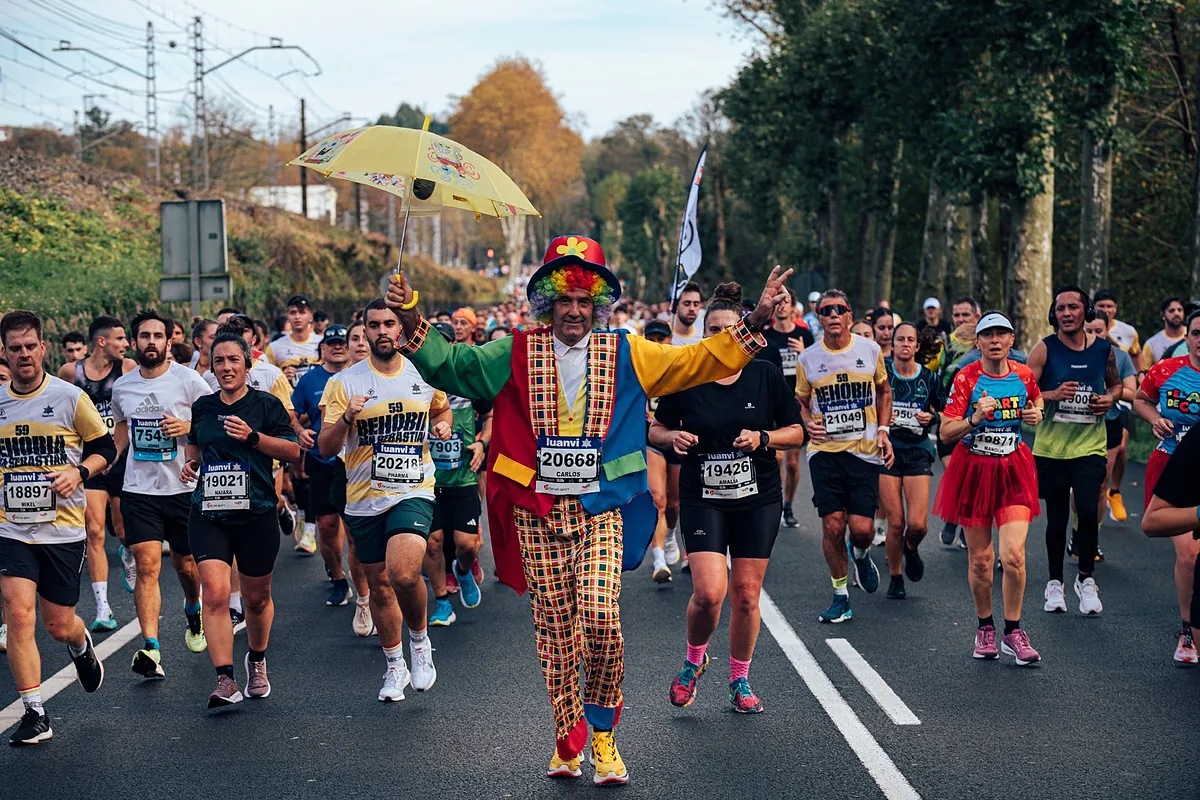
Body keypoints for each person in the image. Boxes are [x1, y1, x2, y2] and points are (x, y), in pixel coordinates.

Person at [386, 235, 789, 784]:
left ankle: (604, 737)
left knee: (599, 619)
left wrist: (756, 322)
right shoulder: (515, 350)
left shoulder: (626, 350)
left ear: (598, 305)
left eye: (584, 300)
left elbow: (695, 361)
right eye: (564, 299)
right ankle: (566, 736)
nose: (573, 310)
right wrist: (409, 313)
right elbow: (452, 366)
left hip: (602, 509)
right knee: (555, 630)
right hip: (538, 510)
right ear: (547, 302)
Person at [651, 282, 804, 714]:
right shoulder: (688, 375)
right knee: (709, 592)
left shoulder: (765, 371)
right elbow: (655, 428)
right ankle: (693, 662)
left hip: (758, 495)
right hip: (704, 494)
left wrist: (764, 436)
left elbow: (797, 432)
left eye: (728, 328)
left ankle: (739, 679)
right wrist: (671, 436)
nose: (722, 336)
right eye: (712, 330)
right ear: (704, 336)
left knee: (747, 594)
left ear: (743, 330)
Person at [318, 300, 453, 703]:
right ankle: (394, 666)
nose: (381, 331)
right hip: (363, 496)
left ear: (400, 329)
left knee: (404, 573)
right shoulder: (345, 383)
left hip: (414, 488)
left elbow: (441, 409)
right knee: (378, 584)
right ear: (364, 331)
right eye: (373, 325)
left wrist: (442, 426)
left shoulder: (423, 371)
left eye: (389, 324)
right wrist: (346, 419)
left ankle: (420, 643)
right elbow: (326, 448)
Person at [1, 310, 111, 745]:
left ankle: (80, 643)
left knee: (56, 624)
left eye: (31, 346)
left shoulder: (68, 397)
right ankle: (35, 713)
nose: (24, 355)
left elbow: (104, 447)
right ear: (4, 353)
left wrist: (80, 473)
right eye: (15, 348)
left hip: (62, 530)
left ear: (43, 348)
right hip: (11, 529)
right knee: (17, 612)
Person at [181, 333, 300, 708]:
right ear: (211, 367)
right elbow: (196, 448)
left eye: (234, 360)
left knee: (256, 598)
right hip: (209, 513)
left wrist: (253, 438)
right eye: (219, 361)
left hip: (257, 513)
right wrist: (192, 464)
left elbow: (294, 451)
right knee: (214, 594)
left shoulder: (267, 405)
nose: (227, 367)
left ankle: (258, 659)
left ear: (248, 365)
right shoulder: (202, 407)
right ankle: (225, 679)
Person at [935, 311, 1044, 665]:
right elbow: (945, 432)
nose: (995, 340)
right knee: (982, 559)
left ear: (1012, 340)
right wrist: (974, 419)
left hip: (1013, 468)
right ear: (977, 342)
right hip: (975, 470)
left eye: (1002, 334)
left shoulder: (1024, 374)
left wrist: (1036, 413)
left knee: (1013, 555)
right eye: (988, 335)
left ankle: (1013, 631)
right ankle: (985, 627)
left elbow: (1036, 400)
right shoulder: (966, 378)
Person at [111, 310, 212, 678]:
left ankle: (192, 607)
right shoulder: (123, 386)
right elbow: (122, 426)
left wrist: (186, 426)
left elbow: (211, 418)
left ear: (169, 342)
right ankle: (151, 647)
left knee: (186, 566)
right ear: (134, 342)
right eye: (144, 336)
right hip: (139, 489)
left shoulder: (188, 381)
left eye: (158, 336)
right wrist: (110, 456)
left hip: (182, 488)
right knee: (147, 566)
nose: (151, 342)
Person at [795, 290, 894, 624]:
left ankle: (862, 553)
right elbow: (802, 401)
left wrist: (883, 430)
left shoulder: (870, 350)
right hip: (825, 452)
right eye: (826, 311)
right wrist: (808, 422)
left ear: (850, 316)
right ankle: (840, 595)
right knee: (834, 524)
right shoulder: (808, 358)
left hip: (864, 452)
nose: (833, 315)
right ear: (818, 318)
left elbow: (884, 391)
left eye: (840, 310)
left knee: (861, 529)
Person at [1028, 288, 1120, 616]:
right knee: (1057, 518)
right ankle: (1055, 583)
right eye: (1061, 308)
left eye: (1074, 307)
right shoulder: (1044, 349)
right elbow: (1025, 391)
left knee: (1086, 504)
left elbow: (1115, 385)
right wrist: (1052, 394)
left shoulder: (1104, 350)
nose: (1067, 313)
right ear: (1054, 314)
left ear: (1086, 311)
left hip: (1090, 445)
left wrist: (1110, 399)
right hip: (1052, 447)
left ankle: (1086, 578)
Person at [56, 316, 136, 632]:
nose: (126, 344)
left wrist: (116, 451)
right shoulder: (70, 373)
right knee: (94, 531)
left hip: (122, 457)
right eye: (120, 339)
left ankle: (128, 551)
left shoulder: (127, 368)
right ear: (102, 341)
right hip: (90, 461)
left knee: (122, 529)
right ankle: (103, 607)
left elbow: (130, 415)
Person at [1135, 309, 1200, 664]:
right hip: (1173, 466)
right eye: (1197, 332)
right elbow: (1141, 400)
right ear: (1187, 338)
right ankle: (1187, 629)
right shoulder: (1166, 370)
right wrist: (1156, 418)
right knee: (1189, 553)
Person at [292, 325, 367, 607]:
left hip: (354, 463)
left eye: (341, 342)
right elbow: (293, 414)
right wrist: (300, 432)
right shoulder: (312, 380)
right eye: (332, 343)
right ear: (323, 348)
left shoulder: (361, 377)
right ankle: (337, 578)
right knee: (325, 525)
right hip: (322, 459)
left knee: (353, 531)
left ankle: (366, 589)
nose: (338, 347)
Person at [425, 322, 492, 625]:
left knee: (467, 544)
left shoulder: (467, 380)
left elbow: (490, 416)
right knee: (433, 542)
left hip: (464, 475)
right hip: (426, 479)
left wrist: (481, 443)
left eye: (445, 343)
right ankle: (441, 601)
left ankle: (462, 570)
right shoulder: (416, 380)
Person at [881, 323, 940, 599]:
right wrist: (881, 420)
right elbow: (865, 406)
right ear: (892, 345)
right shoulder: (881, 376)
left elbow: (946, 410)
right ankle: (895, 577)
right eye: (900, 339)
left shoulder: (929, 378)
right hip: (887, 451)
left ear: (917, 346)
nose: (905, 344)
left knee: (917, 525)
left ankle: (911, 548)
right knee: (895, 523)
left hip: (917, 451)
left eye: (910, 340)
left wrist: (933, 418)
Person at [760, 288, 814, 529]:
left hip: (797, 403)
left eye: (786, 302)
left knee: (792, 463)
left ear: (794, 308)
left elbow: (816, 370)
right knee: (777, 457)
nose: (782, 306)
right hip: (773, 404)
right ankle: (777, 504)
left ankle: (789, 505)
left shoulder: (804, 334)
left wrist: (804, 354)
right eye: (778, 302)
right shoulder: (766, 335)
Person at [1084, 312, 1136, 548]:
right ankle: (1078, 531)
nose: (1095, 336)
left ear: (1107, 331)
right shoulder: (1072, 355)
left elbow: (1132, 393)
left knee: (1100, 482)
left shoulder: (1121, 357)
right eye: (1089, 331)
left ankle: (1091, 541)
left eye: (1099, 331)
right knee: (1079, 486)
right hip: (1078, 425)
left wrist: (1111, 389)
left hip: (1110, 422)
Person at [641, 320, 682, 583]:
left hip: (678, 437)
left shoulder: (681, 366)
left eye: (661, 338)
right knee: (658, 499)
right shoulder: (638, 368)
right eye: (651, 339)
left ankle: (670, 535)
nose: (656, 344)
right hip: (651, 438)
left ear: (669, 340)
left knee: (675, 502)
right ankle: (658, 561)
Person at [265, 294, 322, 385]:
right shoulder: (274, 347)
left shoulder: (323, 343)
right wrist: (281, 377)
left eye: (302, 312)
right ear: (287, 316)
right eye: (293, 312)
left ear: (311, 316)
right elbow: (267, 380)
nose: (297, 317)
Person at [1092, 289, 1142, 372]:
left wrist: (1140, 373)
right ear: (1094, 307)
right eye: (1101, 306)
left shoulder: (1128, 331)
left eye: (1109, 306)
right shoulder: (1084, 328)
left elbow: (1136, 353)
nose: (1105, 310)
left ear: (1115, 307)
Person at [1145, 297, 1187, 368]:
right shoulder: (1151, 344)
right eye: (1171, 311)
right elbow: (1143, 372)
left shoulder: (1194, 335)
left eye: (1180, 310)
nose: (1176, 313)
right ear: (1162, 315)